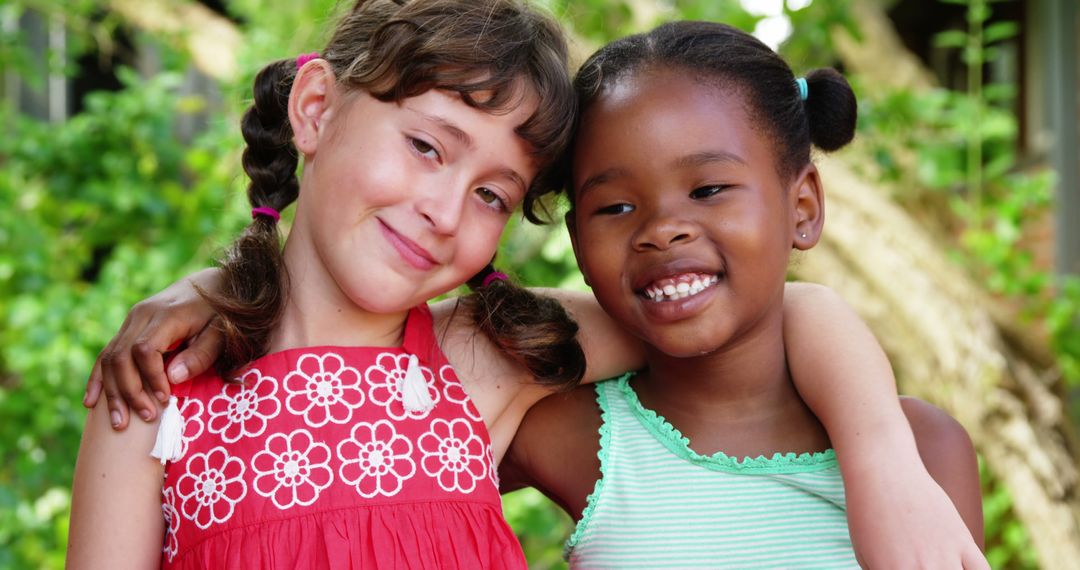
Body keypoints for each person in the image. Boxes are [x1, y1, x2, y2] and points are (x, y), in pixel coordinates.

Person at [71, 2, 985, 568]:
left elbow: (765, 306)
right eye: (426, 146)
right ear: (315, 111)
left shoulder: (482, 359)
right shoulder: (160, 389)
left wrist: (878, 456)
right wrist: (218, 292)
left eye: (491, 195)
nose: (440, 208)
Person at [500, 21, 985, 568]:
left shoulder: (920, 451)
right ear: (579, 245)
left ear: (801, 208)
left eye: (708, 190)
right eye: (614, 207)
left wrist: (882, 459)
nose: (663, 229)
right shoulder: (564, 431)